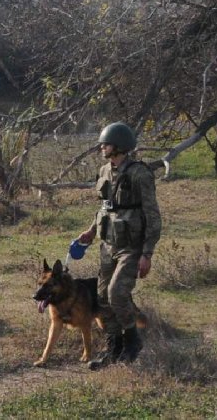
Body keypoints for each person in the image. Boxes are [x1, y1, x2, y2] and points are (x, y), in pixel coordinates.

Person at [75, 122, 162, 369]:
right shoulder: (105, 171)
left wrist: (147, 253)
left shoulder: (139, 174)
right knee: (102, 297)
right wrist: (92, 230)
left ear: (120, 146)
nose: (102, 147)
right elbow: (106, 206)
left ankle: (132, 342)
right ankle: (114, 348)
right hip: (108, 243)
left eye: (107, 143)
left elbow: (152, 215)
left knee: (117, 294)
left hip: (131, 247)